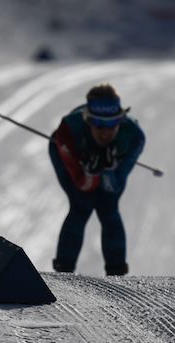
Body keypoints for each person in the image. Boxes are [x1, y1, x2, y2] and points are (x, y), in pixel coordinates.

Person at [49, 84, 145, 276]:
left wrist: (108, 172)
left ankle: (117, 274)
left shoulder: (134, 137)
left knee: (108, 206)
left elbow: (115, 185)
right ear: (87, 120)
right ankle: (63, 272)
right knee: (81, 205)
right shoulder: (68, 131)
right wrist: (91, 174)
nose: (105, 131)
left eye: (112, 123)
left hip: (93, 159)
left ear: (122, 119)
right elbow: (80, 184)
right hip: (62, 150)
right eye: (98, 124)